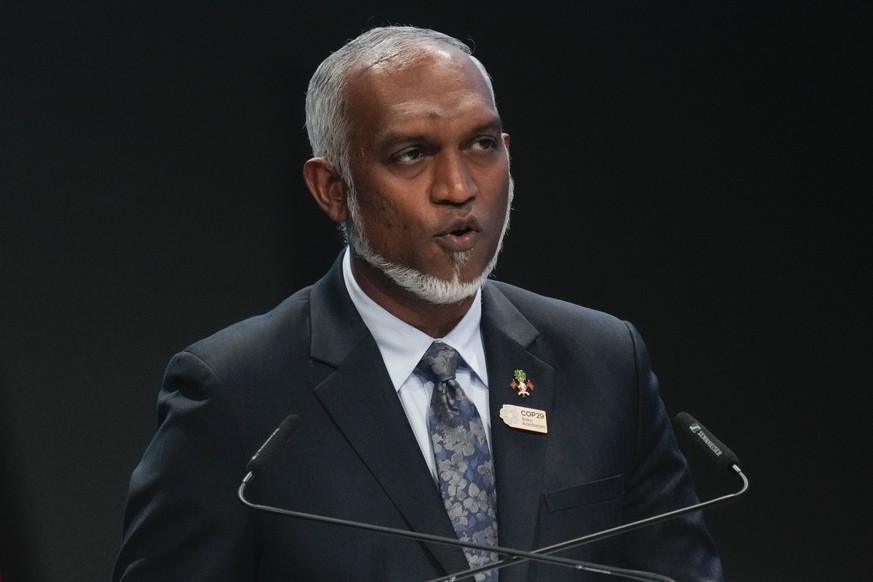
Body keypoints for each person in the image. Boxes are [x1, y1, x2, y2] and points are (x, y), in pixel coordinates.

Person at [112, 25, 725, 582]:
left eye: (482, 145)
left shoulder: (604, 361)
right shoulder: (235, 393)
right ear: (333, 189)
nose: (459, 189)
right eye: (412, 154)